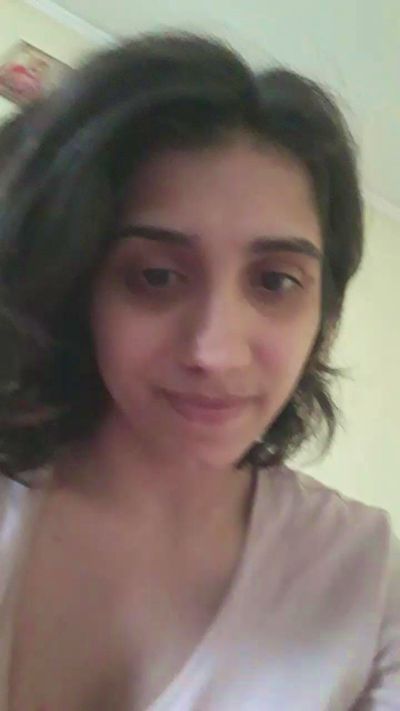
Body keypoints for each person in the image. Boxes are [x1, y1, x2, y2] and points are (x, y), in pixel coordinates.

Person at [0, 30, 398, 710]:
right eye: (156, 276)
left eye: (275, 282)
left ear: (322, 314)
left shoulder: (365, 581)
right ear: (77, 282)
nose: (217, 351)